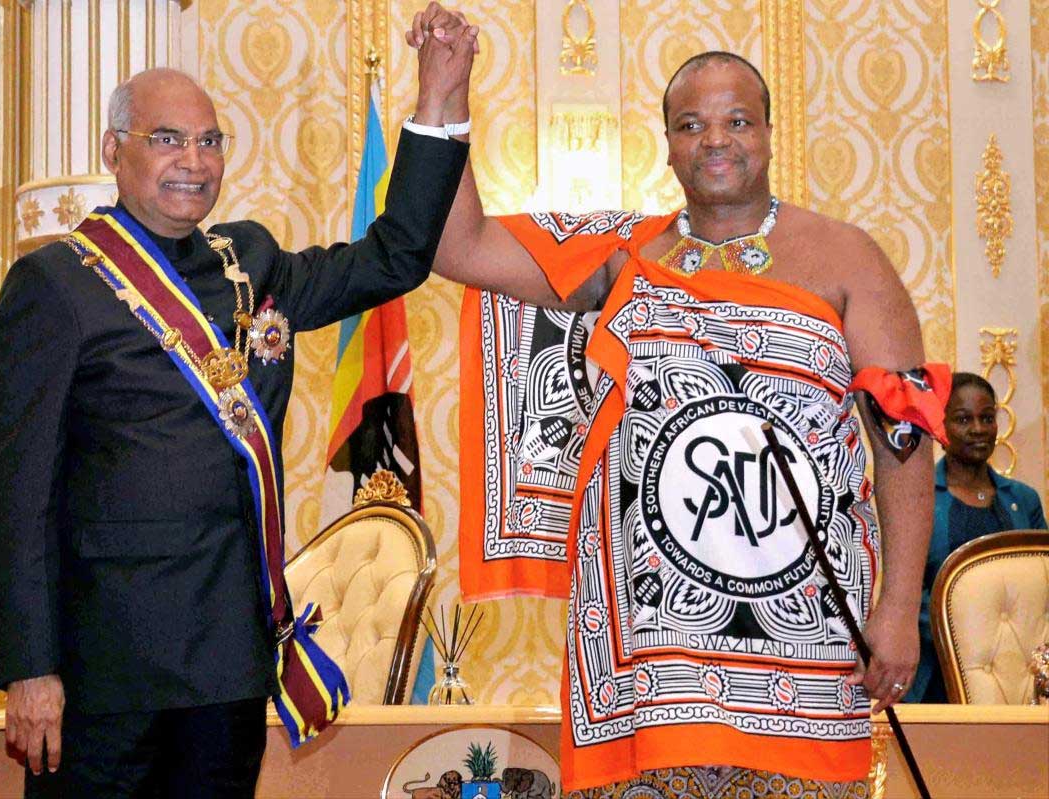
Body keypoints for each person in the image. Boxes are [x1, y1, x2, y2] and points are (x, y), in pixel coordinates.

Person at [410, 9, 946, 796]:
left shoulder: (846, 256)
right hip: (649, 659)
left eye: (736, 120)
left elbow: (905, 439)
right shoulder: (624, 256)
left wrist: (899, 607)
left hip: (803, 648)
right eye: (691, 124)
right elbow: (458, 247)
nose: (716, 139)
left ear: (769, 131)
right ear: (667, 144)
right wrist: (445, 94)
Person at [0, 19, 478, 796]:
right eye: (168, 139)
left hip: (228, 666)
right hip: (105, 673)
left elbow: (397, 255)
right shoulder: (55, 284)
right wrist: (29, 669)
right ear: (115, 152)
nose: (194, 161)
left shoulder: (248, 264)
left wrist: (439, 98)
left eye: (210, 142)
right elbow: (16, 496)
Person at [906, 372, 1047, 703]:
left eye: (987, 417)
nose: (978, 429)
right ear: (942, 426)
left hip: (1017, 681)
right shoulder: (920, 499)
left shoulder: (1024, 500)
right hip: (937, 676)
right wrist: (964, 631)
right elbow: (908, 594)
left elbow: (1041, 588)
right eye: (963, 419)